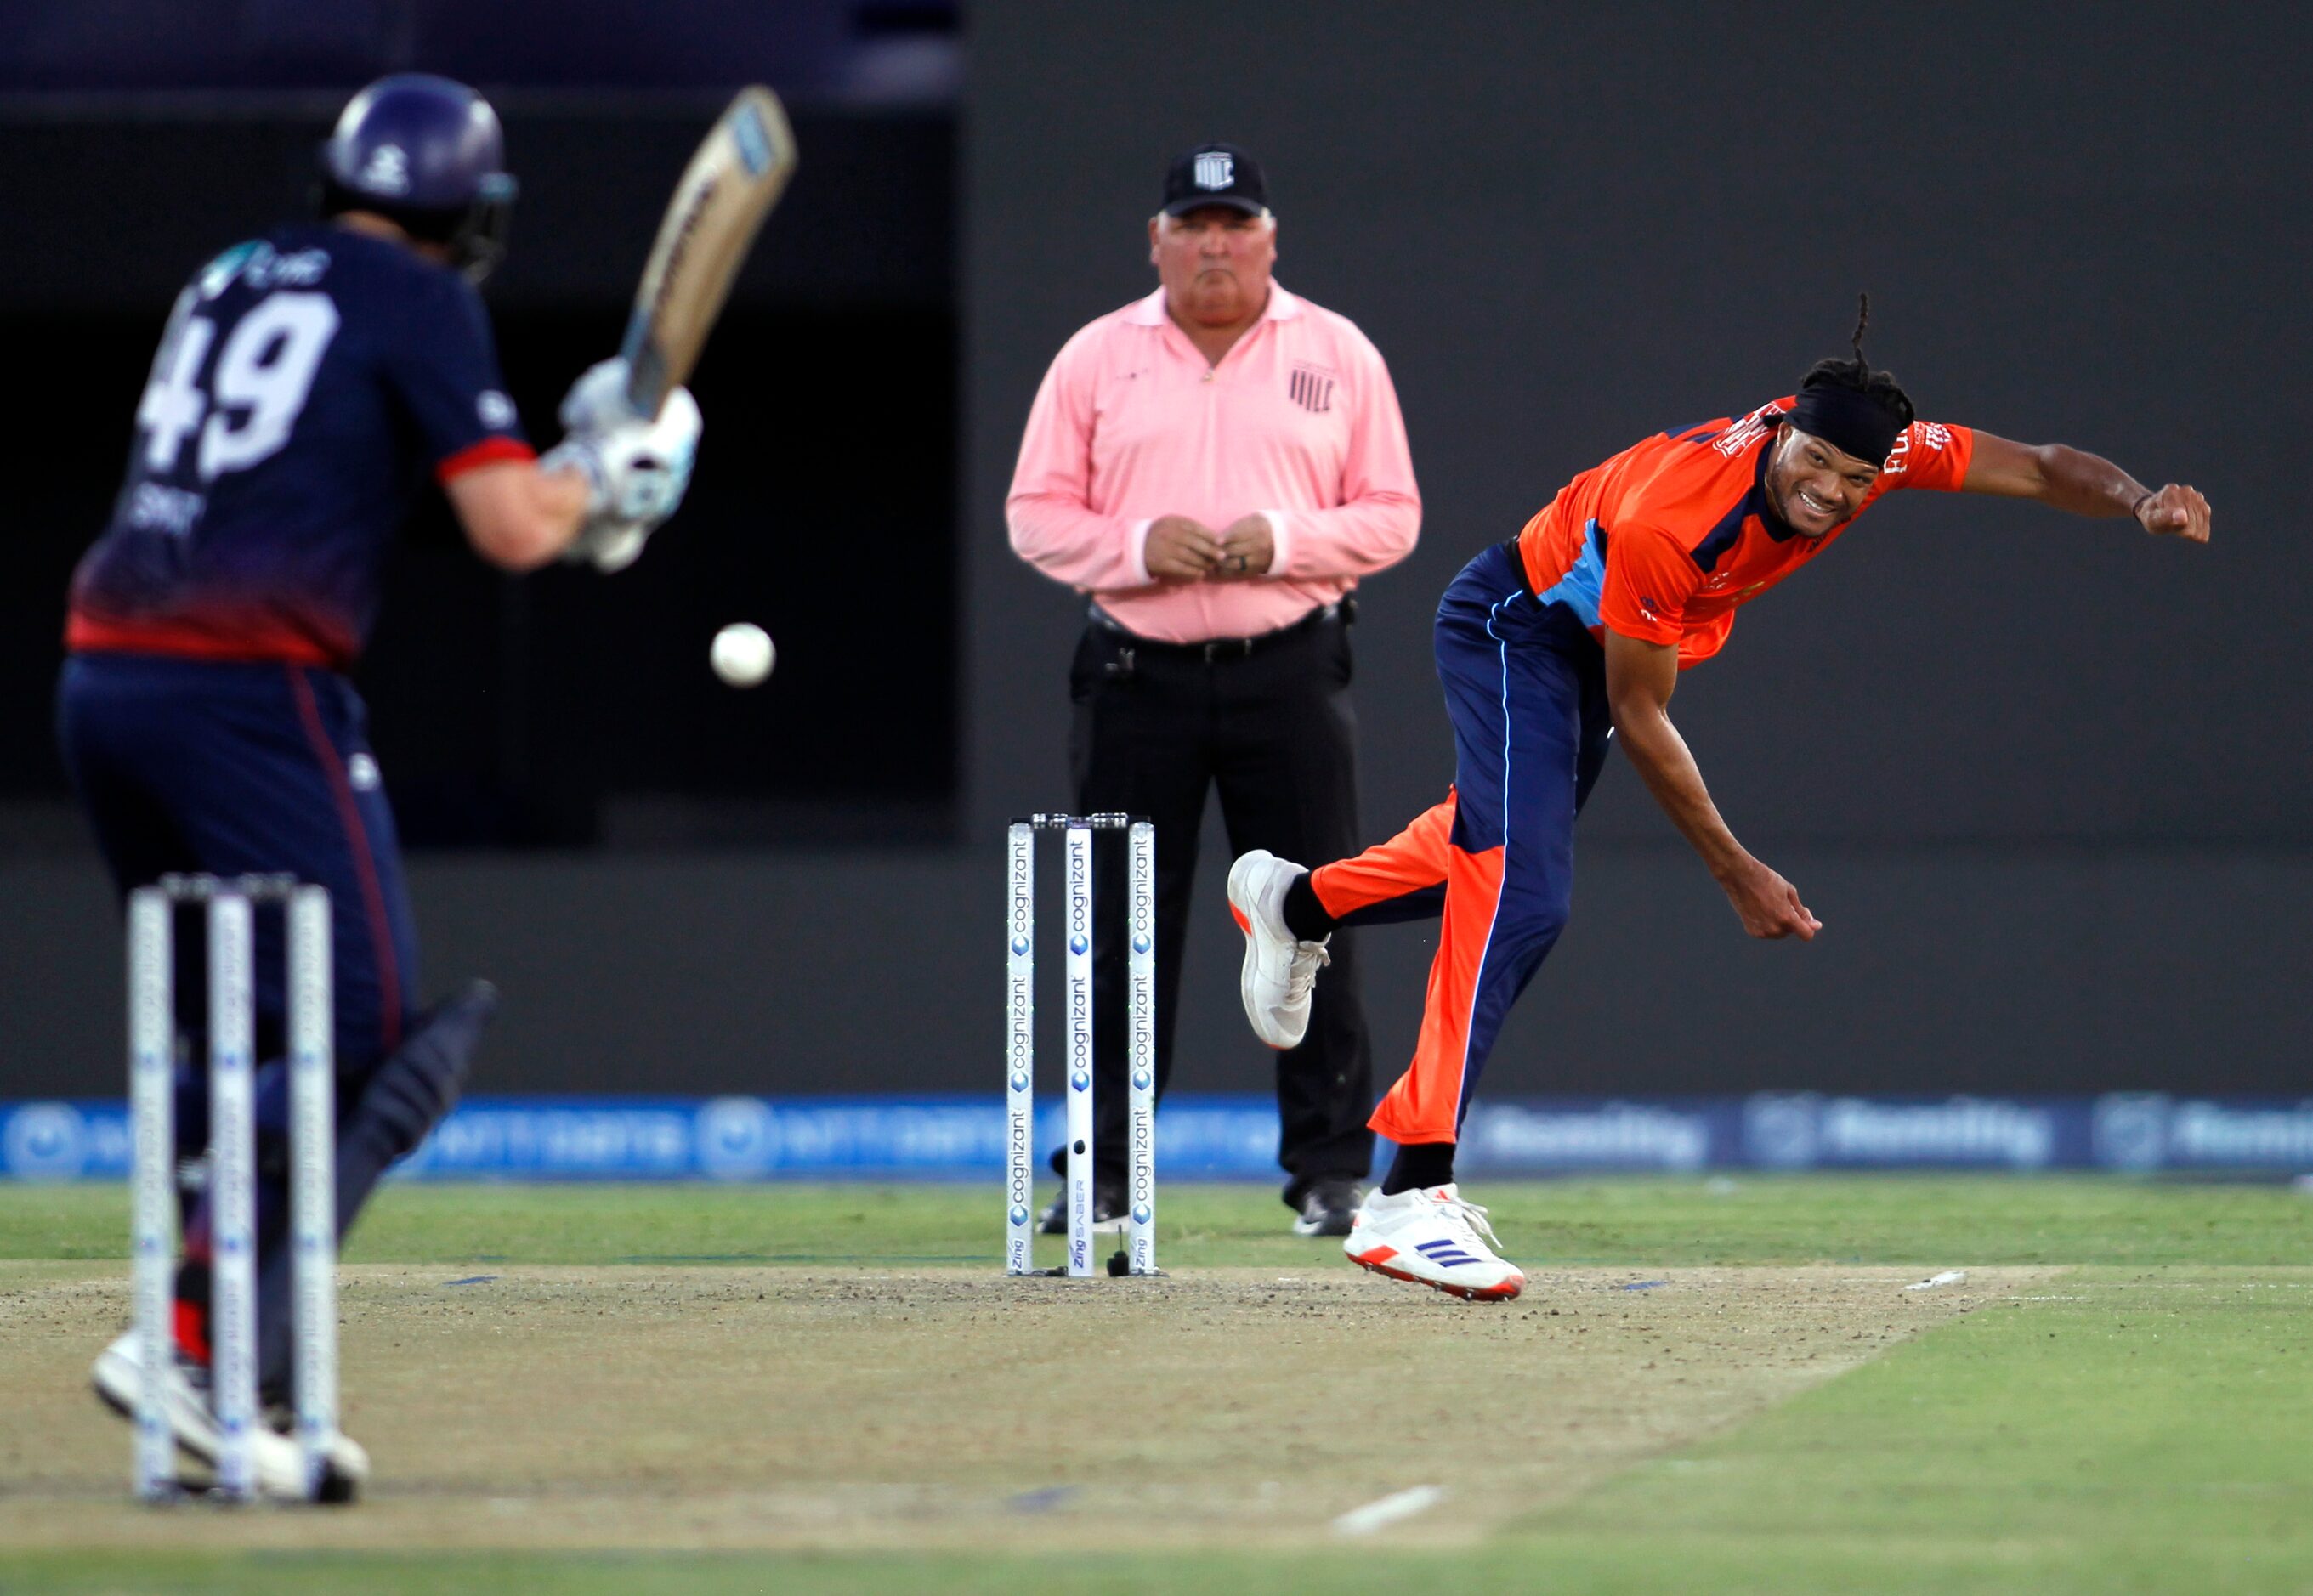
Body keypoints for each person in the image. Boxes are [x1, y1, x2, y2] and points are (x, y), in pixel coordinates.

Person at [1228, 303, 2211, 1299]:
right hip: (1518, 627)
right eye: (1816, 461)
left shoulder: (1887, 450)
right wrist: (1735, 871)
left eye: (1856, 479)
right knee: (1521, 890)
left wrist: (2138, 502)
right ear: (1784, 430)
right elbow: (1641, 712)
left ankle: (1295, 905)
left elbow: (2042, 467)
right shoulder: (1679, 521)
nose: (1830, 491)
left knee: (1481, 853)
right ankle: (1410, 1192)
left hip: (1590, 654)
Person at [64, 73, 701, 1497]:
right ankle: (189, 1341)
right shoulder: (421, 298)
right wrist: (617, 477)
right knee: (371, 1041)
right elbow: (514, 531)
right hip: (249, 685)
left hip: (105, 676)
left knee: (225, 1038)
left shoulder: (226, 276)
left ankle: (246, 1382)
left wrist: (577, 477)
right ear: (468, 214)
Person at [1006, 143, 1420, 1236]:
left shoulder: (1335, 352)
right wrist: (1143, 544)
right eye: (1193, 226)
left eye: (1234, 225)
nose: (1215, 246)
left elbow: (1393, 514)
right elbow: (1034, 515)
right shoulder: (1099, 358)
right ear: (1158, 243)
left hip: (1288, 663)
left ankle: (1332, 1170)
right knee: (1116, 924)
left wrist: (1278, 539)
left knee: (1316, 914)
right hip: (1137, 672)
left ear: (1270, 240)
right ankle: (1100, 1171)